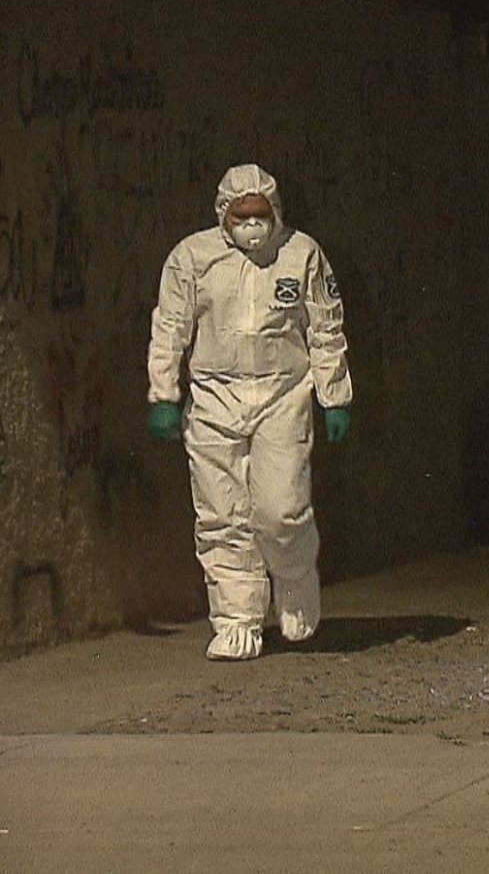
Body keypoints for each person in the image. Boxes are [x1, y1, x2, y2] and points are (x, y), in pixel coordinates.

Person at [146, 164, 352, 659]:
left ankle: (295, 580)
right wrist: (164, 394)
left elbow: (324, 326)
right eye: (243, 216)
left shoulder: (301, 254)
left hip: (283, 394)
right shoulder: (192, 258)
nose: (253, 225)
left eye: (261, 214)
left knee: (281, 509)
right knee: (222, 513)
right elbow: (170, 327)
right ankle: (237, 619)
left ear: (276, 211)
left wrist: (335, 395)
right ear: (224, 214)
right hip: (214, 396)